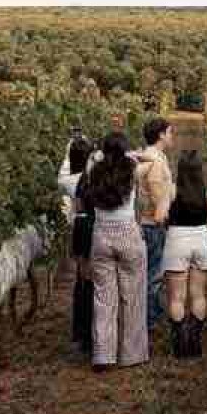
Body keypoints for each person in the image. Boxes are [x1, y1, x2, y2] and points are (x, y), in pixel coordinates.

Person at [83, 132, 149, 369]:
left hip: (101, 235)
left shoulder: (94, 171)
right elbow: (147, 159)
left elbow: (94, 158)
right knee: (132, 295)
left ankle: (103, 355)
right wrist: (130, 153)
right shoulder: (132, 170)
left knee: (103, 297)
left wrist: (102, 153)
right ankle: (131, 354)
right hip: (128, 234)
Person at [161, 149, 207, 357]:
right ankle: (195, 340)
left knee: (177, 297)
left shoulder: (171, 190)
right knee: (198, 294)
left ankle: (180, 342)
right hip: (201, 239)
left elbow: (160, 216)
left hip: (177, 239)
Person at [135, 117, 176, 329]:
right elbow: (158, 196)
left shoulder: (154, 156)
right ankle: (149, 320)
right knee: (154, 273)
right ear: (161, 134)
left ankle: (151, 314)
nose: (172, 136)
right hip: (153, 223)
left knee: (151, 271)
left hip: (148, 221)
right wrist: (165, 216)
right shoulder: (155, 160)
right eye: (170, 132)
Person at [59, 135, 95, 355]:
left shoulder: (68, 181)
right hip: (92, 228)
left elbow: (62, 173)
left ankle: (80, 332)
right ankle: (91, 333)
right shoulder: (94, 178)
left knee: (81, 281)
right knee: (92, 282)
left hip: (79, 231)